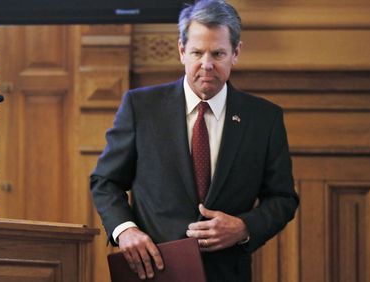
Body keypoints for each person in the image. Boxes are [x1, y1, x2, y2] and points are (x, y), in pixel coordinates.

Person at [90, 0, 299, 281]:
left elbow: (283, 198)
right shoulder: (141, 107)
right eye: (197, 52)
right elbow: (105, 181)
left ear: (236, 53)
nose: (207, 65)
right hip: (154, 270)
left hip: (227, 273)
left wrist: (243, 227)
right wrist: (125, 230)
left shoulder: (264, 118)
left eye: (218, 53)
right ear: (181, 51)